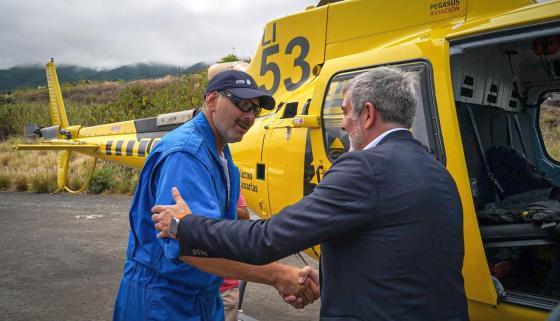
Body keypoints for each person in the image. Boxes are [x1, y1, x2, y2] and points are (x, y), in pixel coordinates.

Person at [152, 66, 468, 321]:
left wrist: (185, 224)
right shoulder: (439, 173)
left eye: (345, 112)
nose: (343, 125)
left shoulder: (364, 168)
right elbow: (400, 261)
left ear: (368, 114)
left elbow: (267, 239)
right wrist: (327, 278)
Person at [113, 70, 319, 321]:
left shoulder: (220, 151)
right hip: (164, 299)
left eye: (255, 109)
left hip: (200, 296)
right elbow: (192, 245)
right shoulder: (187, 155)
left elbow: (218, 234)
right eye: (242, 104)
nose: (250, 116)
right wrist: (277, 275)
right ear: (211, 100)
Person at [220, 192, 249, 321]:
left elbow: (245, 216)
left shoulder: (228, 181)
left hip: (226, 288)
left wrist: (224, 206)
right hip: (195, 287)